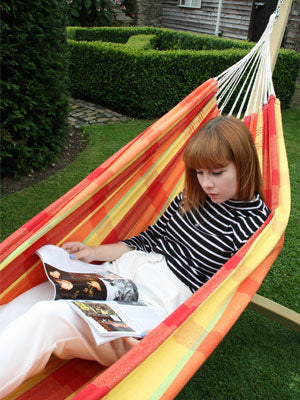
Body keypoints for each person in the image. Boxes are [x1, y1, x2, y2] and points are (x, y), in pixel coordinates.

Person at [0, 116, 270, 397]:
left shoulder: (253, 224)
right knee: (40, 296)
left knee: (48, 318)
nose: (206, 183)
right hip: (118, 276)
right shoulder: (190, 197)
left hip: (152, 308)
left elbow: (219, 295)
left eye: (217, 173)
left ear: (244, 164)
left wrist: (155, 332)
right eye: (199, 172)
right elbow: (148, 240)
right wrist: (92, 252)